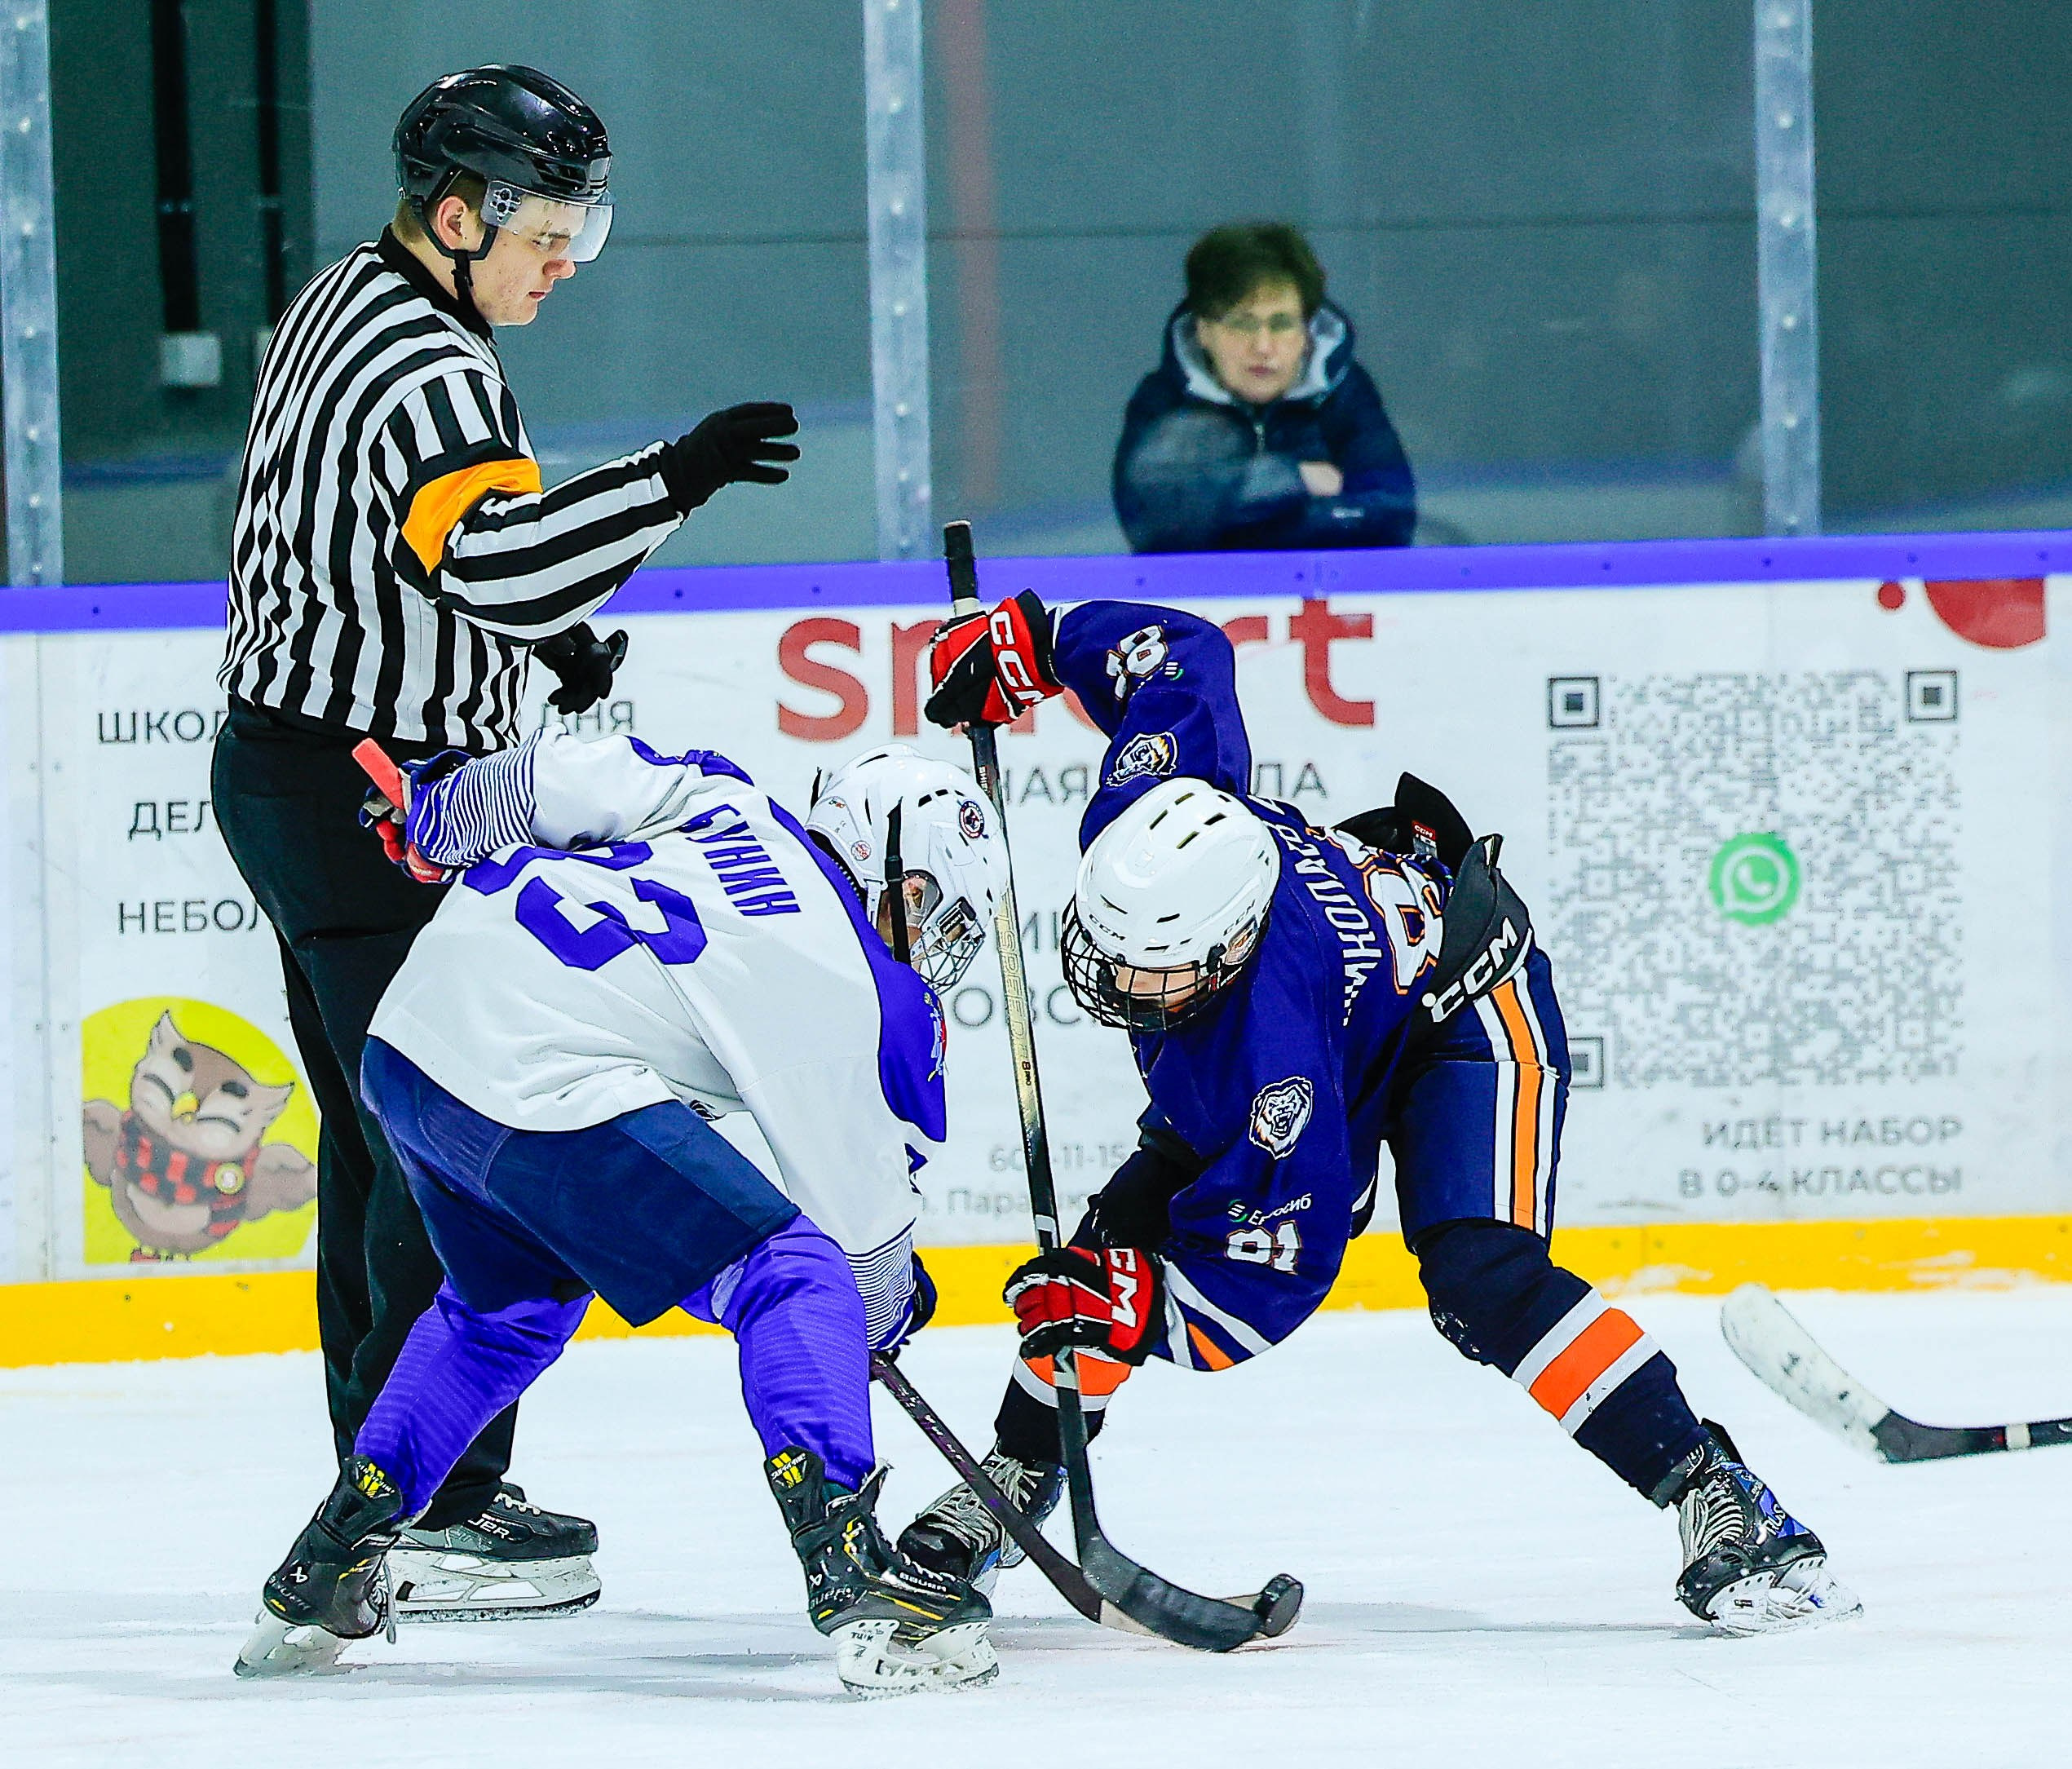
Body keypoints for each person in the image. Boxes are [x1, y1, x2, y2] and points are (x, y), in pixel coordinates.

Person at [906, 590, 1862, 1637]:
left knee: (1481, 1278)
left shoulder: (1272, 1071)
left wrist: (1141, 1314)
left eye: (1157, 975)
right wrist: (1037, 644)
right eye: (1113, 951)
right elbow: (1180, 651)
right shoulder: (1156, 813)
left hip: (1464, 1012)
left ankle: (1720, 1495)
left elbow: (1280, 1269)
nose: (1120, 984)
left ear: (1225, 956)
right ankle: (1016, 1474)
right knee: (1111, 1242)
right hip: (1350, 1002)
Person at [211, 65, 801, 1618]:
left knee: (380, 1134)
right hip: (370, 801)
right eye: (552, 228)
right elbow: (500, 559)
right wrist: (673, 479)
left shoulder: (346, 301)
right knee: (441, 1139)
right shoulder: (428, 367)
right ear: (460, 215)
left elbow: (377, 559)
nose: (568, 259)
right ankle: (431, 1504)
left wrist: (532, 666)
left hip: (304, 774)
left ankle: (388, 1478)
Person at [235, 734, 1008, 1696]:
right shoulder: (857, 989)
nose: (928, 942)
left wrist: (438, 812)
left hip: (410, 1045)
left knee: (502, 1312)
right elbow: (859, 1261)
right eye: (935, 911)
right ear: (908, 880)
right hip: (538, 1076)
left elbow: (544, 780)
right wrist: (886, 1314)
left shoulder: (722, 796)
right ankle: (855, 1577)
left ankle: (328, 1559)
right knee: (792, 1276)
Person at [1111, 223, 1416, 554]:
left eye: (1282, 324)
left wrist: (1235, 512)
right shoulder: (1164, 400)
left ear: (1307, 333)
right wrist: (1294, 479)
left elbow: (1390, 517)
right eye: (1243, 323)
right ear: (1203, 331)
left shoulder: (1344, 392)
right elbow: (1155, 522)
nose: (1263, 346)